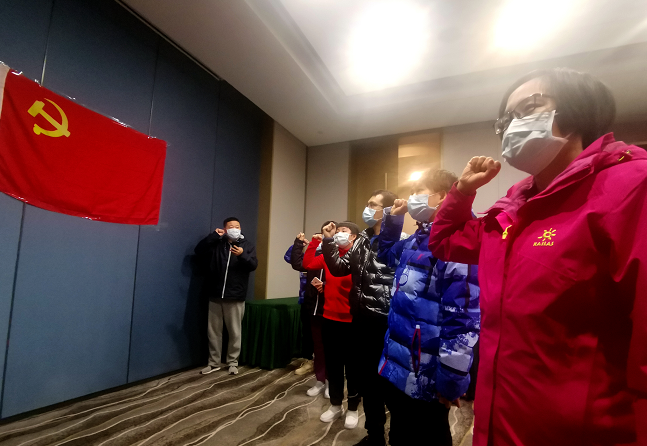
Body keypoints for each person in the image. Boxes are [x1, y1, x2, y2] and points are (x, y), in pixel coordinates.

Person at [429, 68, 647, 446]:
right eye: (506, 120)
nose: (513, 125)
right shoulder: (511, 209)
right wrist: (461, 192)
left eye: (529, 108)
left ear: (577, 111)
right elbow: (445, 241)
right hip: (500, 420)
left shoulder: (631, 186)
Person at [376, 169, 480, 446]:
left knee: (429, 436)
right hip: (398, 363)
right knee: (400, 433)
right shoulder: (417, 238)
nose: (411, 198)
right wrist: (394, 219)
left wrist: (451, 381)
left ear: (442, 196)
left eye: (418, 191)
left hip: (427, 373)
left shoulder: (459, 241)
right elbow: (386, 255)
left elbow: (463, 321)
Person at [320, 190, 397, 445]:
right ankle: (374, 435)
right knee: (368, 380)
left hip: (384, 321)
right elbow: (339, 268)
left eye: (373, 204)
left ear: (387, 210)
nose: (367, 208)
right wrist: (329, 241)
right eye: (368, 203)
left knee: (389, 383)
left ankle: (396, 436)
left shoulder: (398, 241)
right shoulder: (362, 239)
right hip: (361, 319)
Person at [303, 223, 357, 427]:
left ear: (353, 237)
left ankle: (353, 408)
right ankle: (335, 405)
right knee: (333, 366)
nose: (339, 234)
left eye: (344, 231)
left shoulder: (357, 256)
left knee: (352, 367)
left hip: (352, 320)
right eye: (337, 230)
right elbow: (308, 264)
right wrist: (315, 242)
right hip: (329, 318)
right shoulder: (329, 255)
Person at [195, 217, 258, 376]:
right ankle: (214, 362)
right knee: (213, 332)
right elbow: (199, 250)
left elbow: (253, 265)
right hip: (215, 294)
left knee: (235, 332)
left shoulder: (247, 245)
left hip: (235, 295)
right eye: (231, 226)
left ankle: (233, 362)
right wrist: (213, 236)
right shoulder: (217, 244)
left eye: (237, 226)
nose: (235, 229)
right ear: (225, 229)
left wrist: (242, 255)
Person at [290, 225, 334, 397]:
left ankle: (331, 382)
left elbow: (347, 278)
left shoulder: (340, 255)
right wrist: (305, 244)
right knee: (318, 347)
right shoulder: (315, 253)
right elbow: (300, 264)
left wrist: (327, 286)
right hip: (313, 307)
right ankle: (320, 380)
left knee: (332, 348)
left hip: (332, 309)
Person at [284, 243, 313, 375]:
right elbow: (288, 257)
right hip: (305, 300)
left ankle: (322, 363)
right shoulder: (305, 259)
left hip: (322, 302)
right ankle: (308, 360)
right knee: (307, 332)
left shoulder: (325, 258)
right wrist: (298, 244)